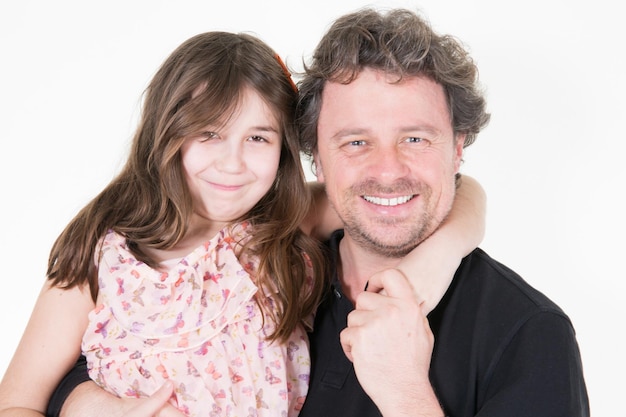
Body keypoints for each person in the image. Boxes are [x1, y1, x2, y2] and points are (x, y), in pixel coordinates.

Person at [0, 27, 487, 417]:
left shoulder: (284, 221)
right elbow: (16, 401)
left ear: (286, 149)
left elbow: (457, 191)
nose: (232, 164)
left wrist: (435, 262)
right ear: (166, 133)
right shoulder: (103, 255)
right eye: (209, 134)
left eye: (257, 138)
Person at [294, 7, 590, 417]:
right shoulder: (265, 286)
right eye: (356, 142)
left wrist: (404, 391)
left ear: (456, 149)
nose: (388, 171)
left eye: (415, 138)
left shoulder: (529, 332)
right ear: (317, 160)